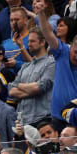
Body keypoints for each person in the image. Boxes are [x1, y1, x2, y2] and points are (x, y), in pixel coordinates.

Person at [36, 0, 77, 130]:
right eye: (76, 52)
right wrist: (41, 14)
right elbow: (47, 33)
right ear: (72, 47)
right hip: (58, 116)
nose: (76, 56)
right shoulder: (62, 50)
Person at [8, 27, 55, 126]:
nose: (29, 44)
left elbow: (39, 87)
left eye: (32, 41)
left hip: (42, 120)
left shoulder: (51, 63)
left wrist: (19, 85)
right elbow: (11, 90)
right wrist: (32, 89)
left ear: (42, 42)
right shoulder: (25, 66)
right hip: (22, 122)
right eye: (28, 41)